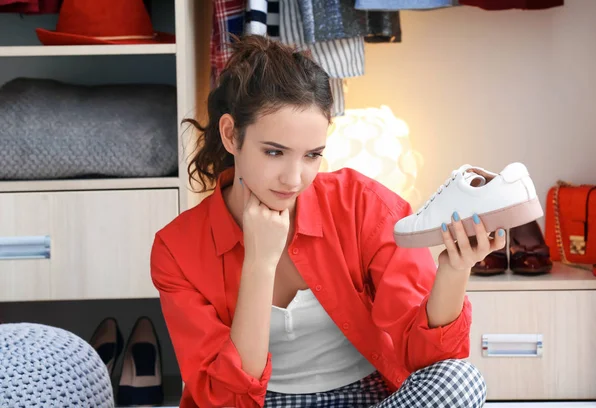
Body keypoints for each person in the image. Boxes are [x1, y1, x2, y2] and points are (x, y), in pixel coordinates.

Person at [150, 35, 506, 408]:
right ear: (230, 135)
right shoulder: (177, 248)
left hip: (370, 399)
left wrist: (453, 270)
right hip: (259, 403)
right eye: (274, 152)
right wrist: (259, 263)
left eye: (312, 155)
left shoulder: (363, 205)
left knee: (458, 380)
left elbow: (427, 360)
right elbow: (224, 400)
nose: (294, 178)